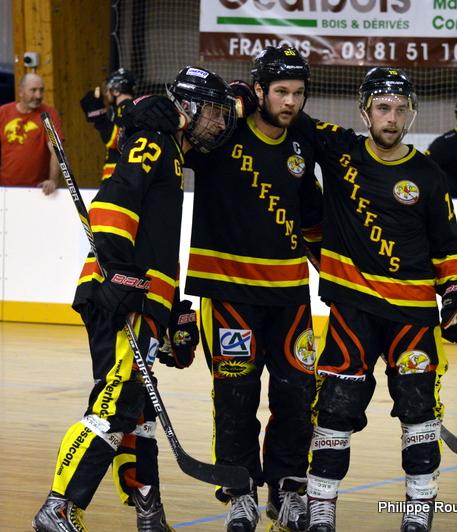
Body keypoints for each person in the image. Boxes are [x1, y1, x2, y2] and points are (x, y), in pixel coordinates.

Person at [31, 66, 237, 532]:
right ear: (187, 107)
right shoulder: (155, 143)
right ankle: (59, 506)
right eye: (214, 113)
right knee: (115, 405)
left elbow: (158, 244)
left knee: (138, 414)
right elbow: (112, 205)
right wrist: (119, 277)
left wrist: (173, 311)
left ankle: (148, 510)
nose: (220, 125)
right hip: (119, 293)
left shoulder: (174, 153)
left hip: (145, 301)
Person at [291, 68, 457, 532]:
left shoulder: (429, 175)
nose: (391, 118)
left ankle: (418, 512)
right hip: (351, 311)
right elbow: (290, 114)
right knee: (334, 410)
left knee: (419, 415)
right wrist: (241, 96)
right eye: (382, 108)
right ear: (364, 111)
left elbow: (448, 248)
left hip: (413, 317)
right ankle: (321, 508)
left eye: (400, 109)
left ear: (411, 113)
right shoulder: (339, 151)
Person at [181, 46, 322, 532]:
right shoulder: (223, 131)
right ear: (258, 89)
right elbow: (172, 135)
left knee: (297, 395)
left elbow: (314, 221)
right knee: (236, 396)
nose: (290, 102)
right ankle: (239, 491)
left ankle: (288, 489)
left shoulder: (302, 138)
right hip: (228, 294)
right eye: (280, 92)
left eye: (298, 93)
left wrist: (344, 281)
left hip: (289, 296)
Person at [0, 73, 62, 195]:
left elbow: (56, 149)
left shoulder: (48, 114)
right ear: (21, 92)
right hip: (6, 188)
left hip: (39, 190)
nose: (38, 95)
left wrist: (52, 180)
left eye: (41, 90)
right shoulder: (3, 112)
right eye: (33, 90)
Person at [80, 68, 136, 181]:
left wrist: (100, 119)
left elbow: (117, 141)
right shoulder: (123, 109)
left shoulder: (126, 108)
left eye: (109, 89)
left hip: (119, 178)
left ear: (116, 90)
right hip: (119, 177)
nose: (106, 93)